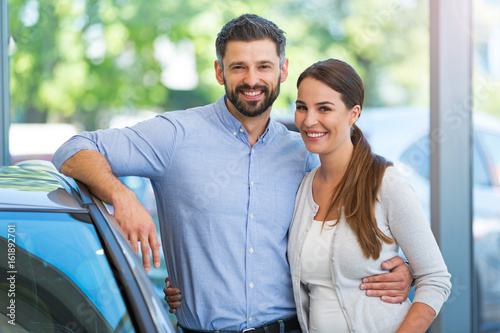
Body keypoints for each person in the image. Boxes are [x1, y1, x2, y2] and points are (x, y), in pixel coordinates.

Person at [52, 14, 412, 332]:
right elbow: (72, 151)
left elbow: (346, 235)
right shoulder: (175, 136)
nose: (251, 79)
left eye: (264, 67)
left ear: (282, 71)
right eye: (239, 66)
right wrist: (122, 197)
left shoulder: (303, 152)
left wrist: (401, 269)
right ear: (219, 70)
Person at [286, 58, 452, 332]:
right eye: (301, 107)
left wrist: (409, 273)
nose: (308, 120)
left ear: (353, 114)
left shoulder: (386, 184)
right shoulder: (305, 185)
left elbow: (435, 280)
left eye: (324, 108)